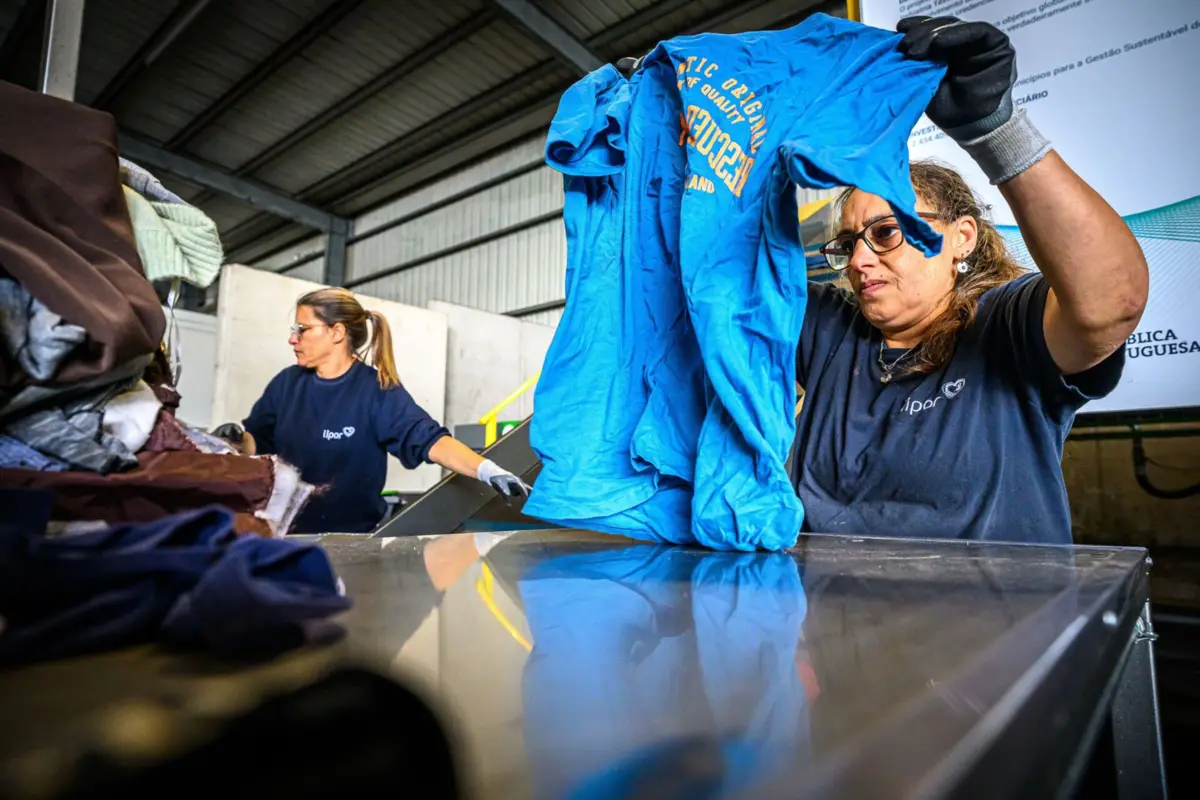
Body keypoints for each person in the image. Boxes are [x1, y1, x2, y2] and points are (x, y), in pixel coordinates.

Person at [792, 16, 1149, 543]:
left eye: (887, 233)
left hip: (990, 621)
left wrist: (996, 129)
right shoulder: (832, 332)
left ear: (962, 237)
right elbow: (719, 283)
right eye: (848, 246)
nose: (860, 261)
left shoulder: (1005, 323)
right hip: (824, 618)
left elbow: (1111, 301)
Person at [213, 288, 530, 534]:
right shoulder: (287, 384)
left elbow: (429, 440)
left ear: (336, 333)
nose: (292, 339)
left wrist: (487, 469)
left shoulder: (376, 390)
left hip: (352, 540)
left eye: (303, 329)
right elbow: (259, 443)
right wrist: (237, 441)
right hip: (284, 536)